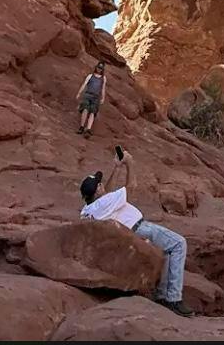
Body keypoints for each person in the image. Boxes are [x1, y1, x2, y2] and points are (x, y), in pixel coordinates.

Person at [79, 145, 192, 317]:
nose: (102, 186)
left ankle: (163, 296)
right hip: (139, 229)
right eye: (99, 185)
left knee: (168, 251)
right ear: (97, 191)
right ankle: (174, 299)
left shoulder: (88, 209)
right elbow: (132, 186)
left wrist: (117, 167)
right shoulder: (104, 202)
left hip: (125, 235)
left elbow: (107, 194)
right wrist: (130, 163)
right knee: (178, 243)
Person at [75, 62, 106, 137]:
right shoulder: (90, 76)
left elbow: (103, 88)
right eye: (98, 68)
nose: (99, 70)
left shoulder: (103, 78)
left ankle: (88, 129)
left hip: (96, 97)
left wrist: (103, 98)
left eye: (101, 69)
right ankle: (82, 127)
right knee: (85, 109)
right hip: (88, 95)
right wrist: (79, 93)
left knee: (93, 112)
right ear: (96, 67)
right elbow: (84, 84)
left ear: (102, 70)